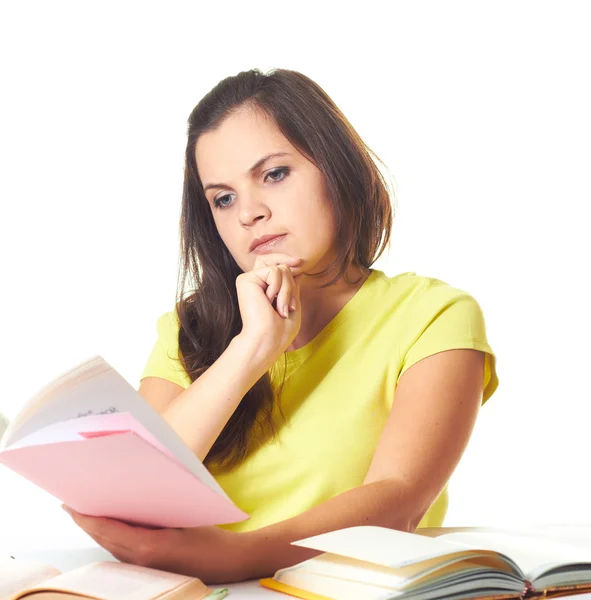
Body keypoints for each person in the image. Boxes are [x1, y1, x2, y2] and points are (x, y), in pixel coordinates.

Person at [62, 68, 499, 584]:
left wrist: (231, 557)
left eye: (273, 174)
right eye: (223, 198)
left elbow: (398, 501)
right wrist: (251, 351)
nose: (249, 213)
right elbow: (135, 493)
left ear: (337, 169)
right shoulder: (189, 329)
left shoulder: (432, 316)